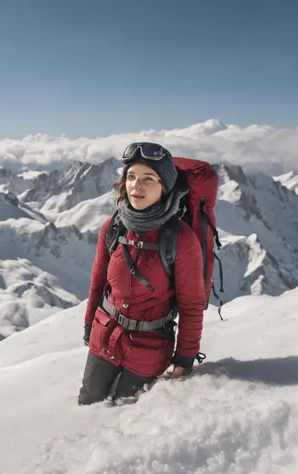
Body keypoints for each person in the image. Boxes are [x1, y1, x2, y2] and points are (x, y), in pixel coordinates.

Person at [78, 142, 206, 405]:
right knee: (87, 409)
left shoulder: (181, 240)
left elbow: (191, 306)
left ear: (165, 187)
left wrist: (184, 358)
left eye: (148, 179)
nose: (137, 185)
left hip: (148, 350)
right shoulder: (113, 226)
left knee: (125, 419)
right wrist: (90, 325)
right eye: (132, 177)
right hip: (104, 337)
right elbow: (98, 283)